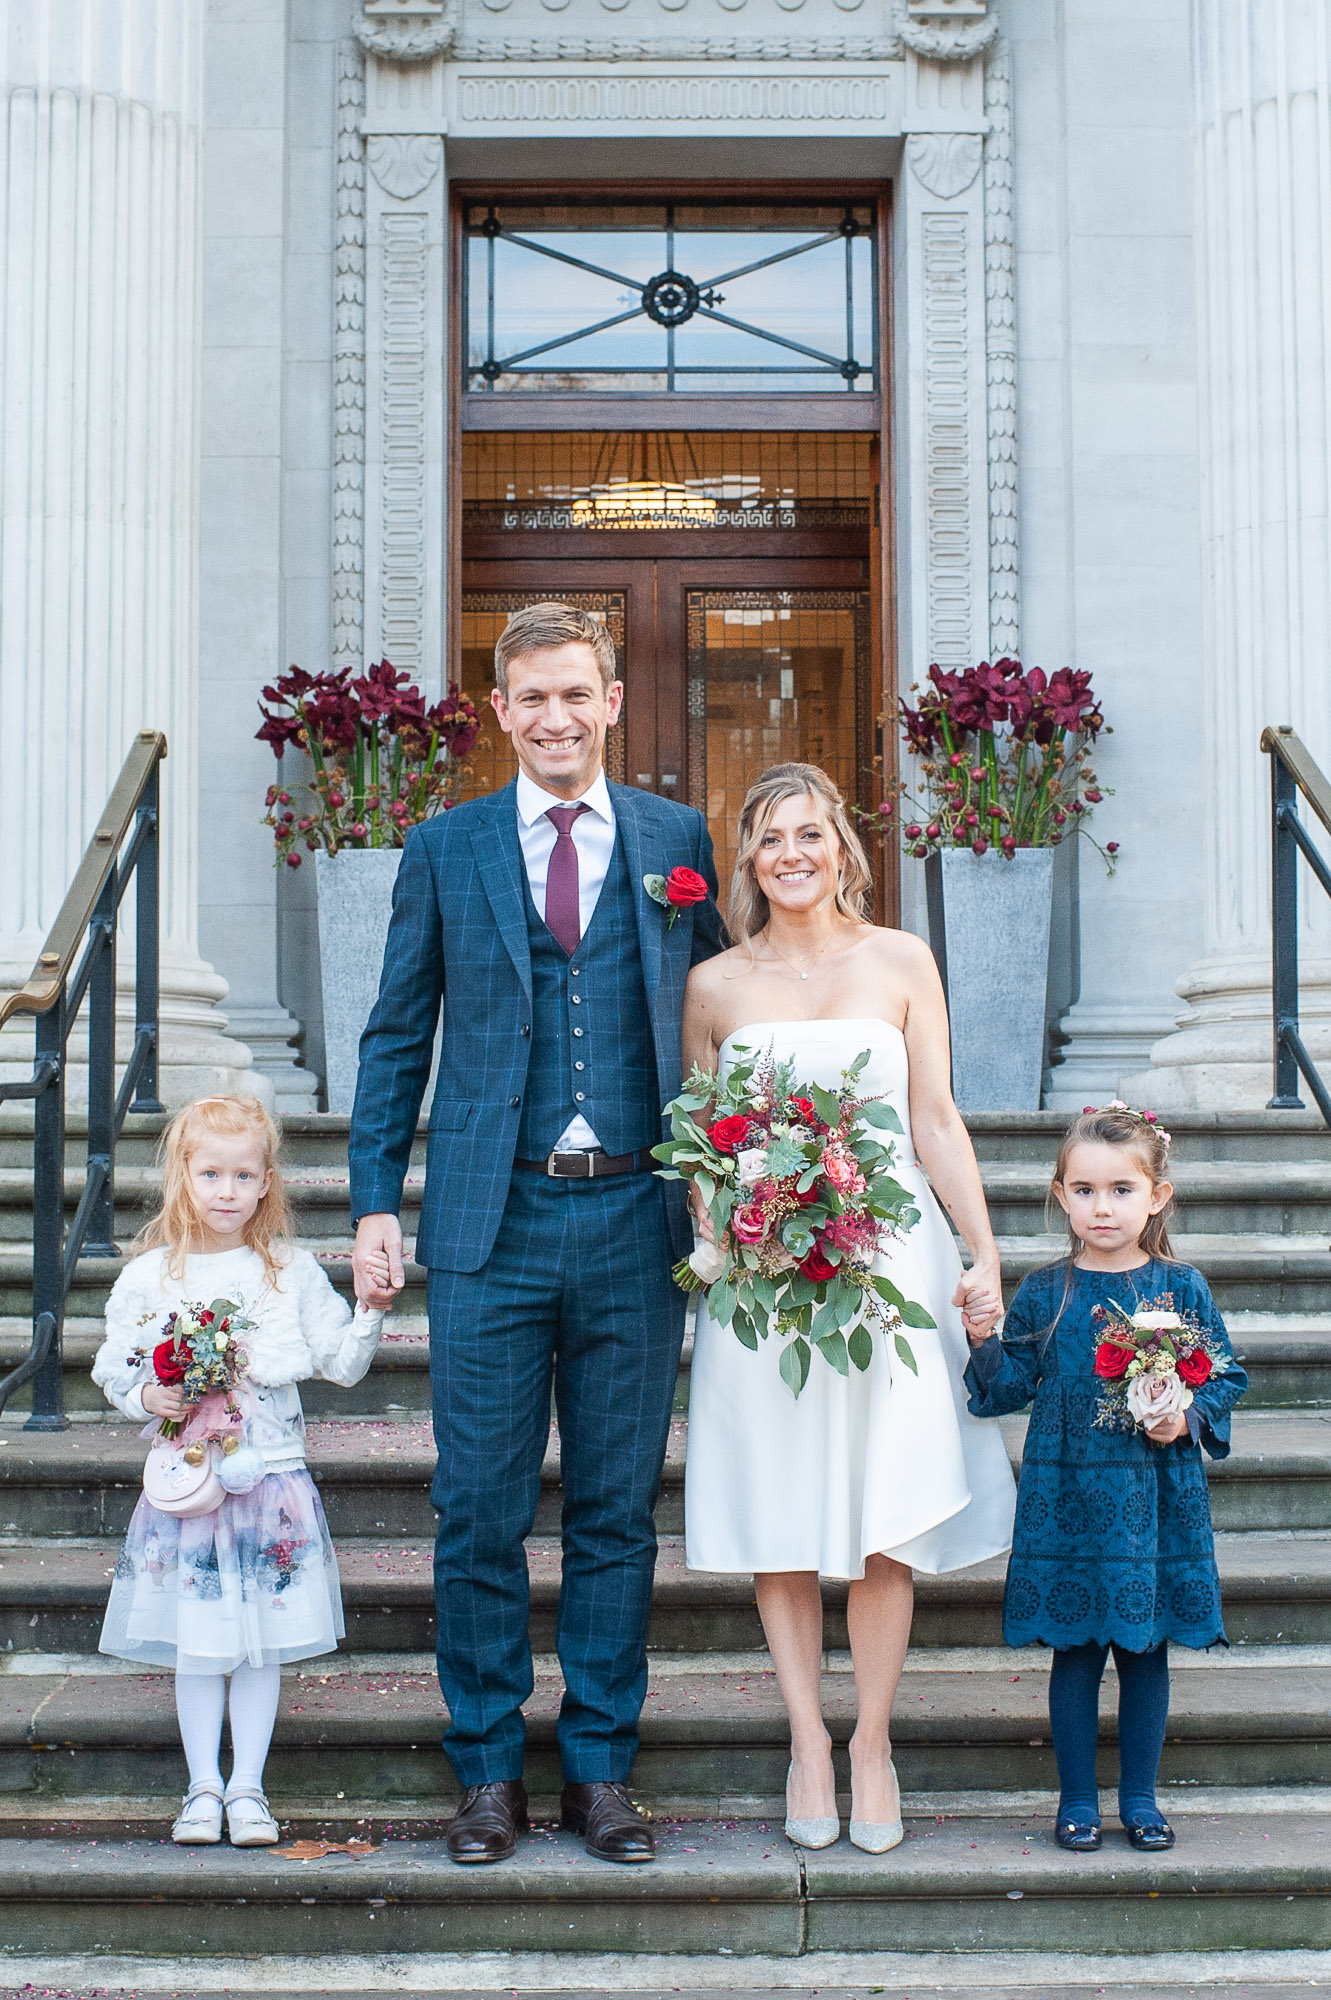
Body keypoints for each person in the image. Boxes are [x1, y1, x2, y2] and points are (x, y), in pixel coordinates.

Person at [350, 601, 726, 1866]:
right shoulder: (445, 845)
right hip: (487, 1216)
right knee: (479, 1507)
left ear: (612, 700)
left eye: (578, 694)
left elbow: (725, 1014)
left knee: (617, 1508)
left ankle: (602, 1770)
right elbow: (398, 1032)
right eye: (533, 699)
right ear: (499, 712)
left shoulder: (677, 840)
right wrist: (368, 1201)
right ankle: (486, 1772)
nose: (557, 717)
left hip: (633, 1211)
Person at [681, 762, 1016, 1854]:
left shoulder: (899, 958)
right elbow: (698, 1140)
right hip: (765, 1280)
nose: (791, 853)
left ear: (842, 847)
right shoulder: (715, 985)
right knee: (776, 1503)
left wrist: (980, 1249)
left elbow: (932, 1117)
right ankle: (805, 1740)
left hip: (886, 1270)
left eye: (809, 833)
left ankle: (869, 1738)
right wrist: (724, 1231)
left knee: (886, 1510)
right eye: (771, 836)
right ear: (747, 854)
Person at [92, 1095, 386, 1847]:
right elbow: (116, 1367)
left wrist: (371, 1307)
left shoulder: (287, 1272)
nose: (226, 1189)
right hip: (189, 1488)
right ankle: (201, 1789)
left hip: (269, 1485)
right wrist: (147, 1391)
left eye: (243, 1175)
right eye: (211, 1173)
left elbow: (343, 1366)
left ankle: (248, 1789)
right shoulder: (154, 1274)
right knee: (200, 1643)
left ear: (266, 1183)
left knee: (261, 1644)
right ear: (184, 1176)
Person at [964, 1103, 1248, 1853]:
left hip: (1153, 1500)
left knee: (1144, 1650)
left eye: (1120, 1189)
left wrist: (1183, 1417)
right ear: (1061, 1195)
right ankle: (1079, 1801)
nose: (1101, 1206)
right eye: (1084, 1190)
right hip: (1067, 1502)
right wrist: (982, 1338)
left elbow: (1226, 1375)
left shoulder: (1178, 1288)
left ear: (1155, 1195)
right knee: (1076, 1652)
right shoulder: (1047, 1290)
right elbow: (1003, 1389)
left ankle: (1141, 1799)